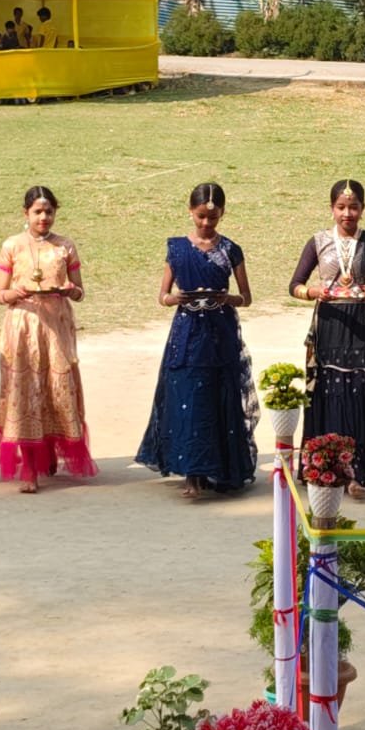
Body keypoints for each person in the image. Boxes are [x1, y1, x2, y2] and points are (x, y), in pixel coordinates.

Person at [136, 183, 258, 497]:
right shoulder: (177, 248)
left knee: (217, 396)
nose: (206, 222)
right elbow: (162, 296)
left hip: (219, 333)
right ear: (190, 211)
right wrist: (175, 298)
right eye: (201, 216)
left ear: (222, 214)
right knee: (188, 397)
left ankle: (216, 469)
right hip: (187, 332)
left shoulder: (230, 250)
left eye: (213, 217)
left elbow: (246, 297)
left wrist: (226, 298)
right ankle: (192, 472)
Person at [288, 179, 365, 494]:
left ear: (363, 209)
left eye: (353, 207)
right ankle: (324, 469)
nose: (347, 214)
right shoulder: (318, 242)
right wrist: (314, 292)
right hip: (329, 328)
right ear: (332, 209)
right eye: (341, 207)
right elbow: (295, 285)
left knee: (361, 396)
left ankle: (357, 474)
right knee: (328, 395)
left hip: (362, 331)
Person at [0, 185, 96, 492]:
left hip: (57, 326)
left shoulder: (65, 246)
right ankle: (29, 468)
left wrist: (70, 291)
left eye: (49, 211)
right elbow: (0, 295)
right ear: (26, 213)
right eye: (37, 212)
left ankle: (49, 453)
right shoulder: (12, 245)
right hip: (23, 326)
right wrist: (17, 292)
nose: (43, 217)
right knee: (27, 390)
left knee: (56, 388)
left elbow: (79, 291)